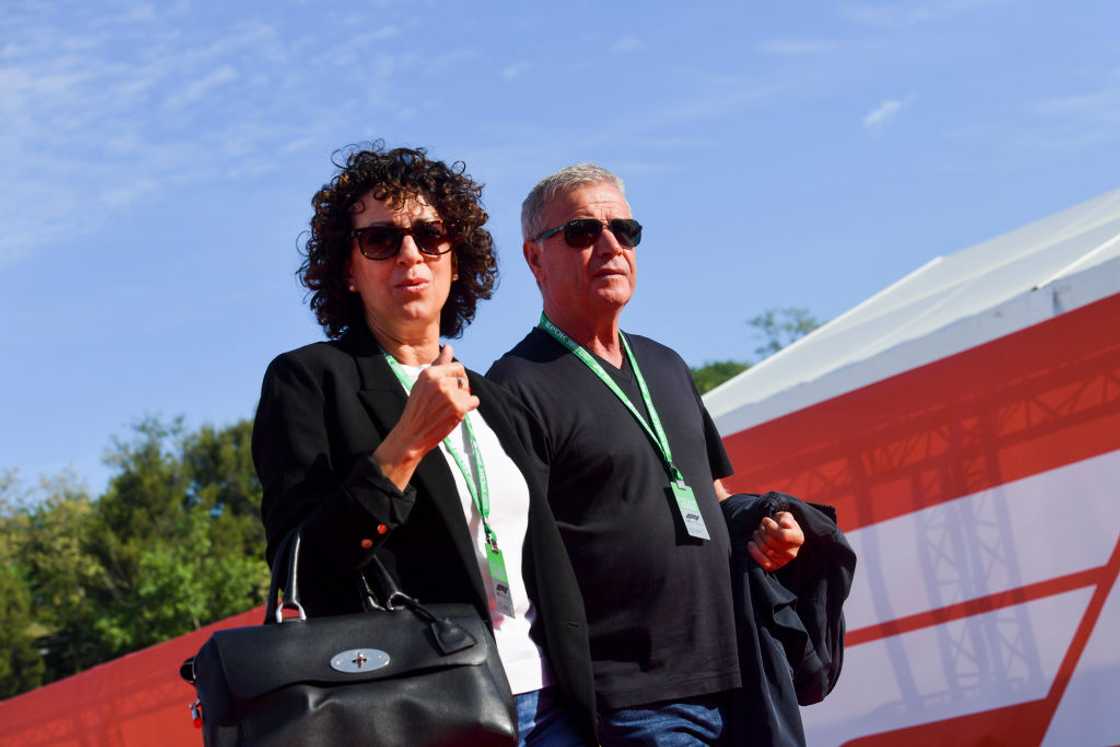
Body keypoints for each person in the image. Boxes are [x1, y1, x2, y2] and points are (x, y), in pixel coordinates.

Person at [252, 143, 597, 746]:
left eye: (430, 236)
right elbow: (302, 569)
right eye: (381, 240)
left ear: (456, 260)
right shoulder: (309, 381)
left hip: (548, 702)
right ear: (347, 269)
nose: (410, 254)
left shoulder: (493, 398)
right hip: (426, 707)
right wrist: (404, 446)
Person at [487, 164, 806, 746]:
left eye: (625, 231)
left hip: (740, 676)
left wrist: (762, 530)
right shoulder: (514, 385)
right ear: (535, 259)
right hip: (630, 701)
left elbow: (712, 496)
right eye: (583, 232)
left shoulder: (665, 363)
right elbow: (514, 550)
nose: (610, 246)